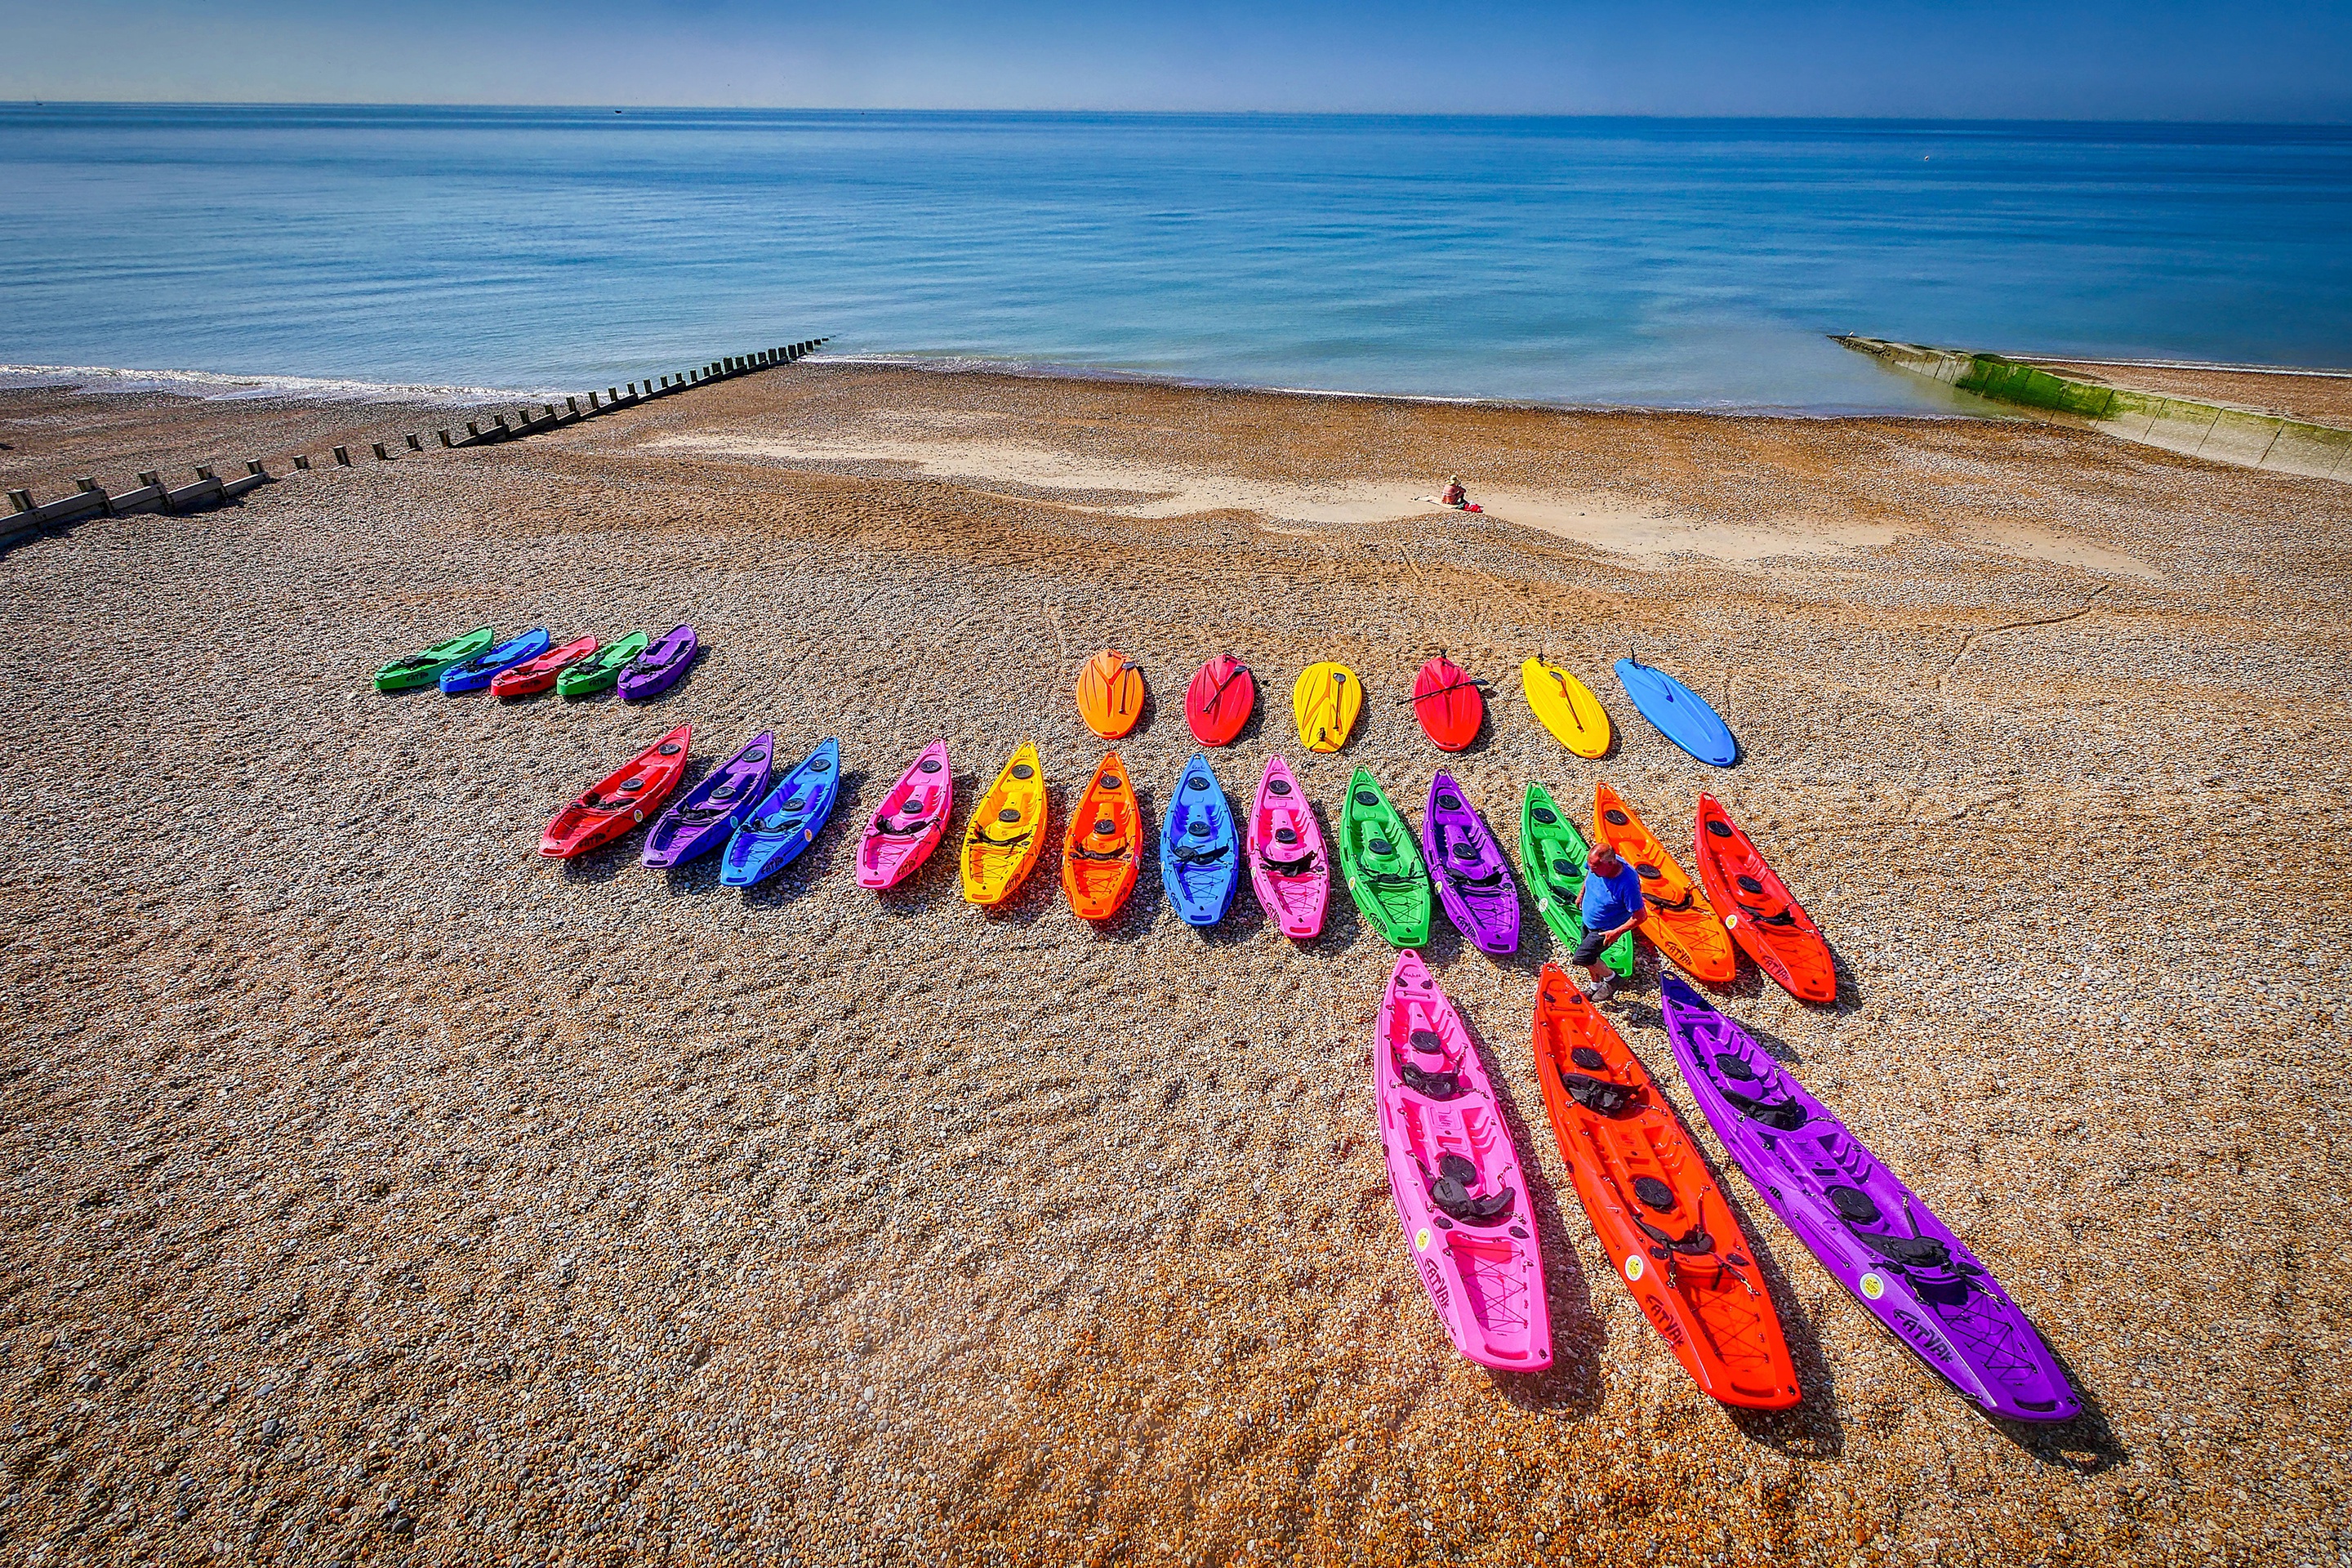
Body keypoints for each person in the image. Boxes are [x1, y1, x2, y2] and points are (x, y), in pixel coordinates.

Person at [1575, 841, 1647, 1002]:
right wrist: (1581, 894)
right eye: (1590, 866)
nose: (1592, 870)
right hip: (1588, 920)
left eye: (1595, 868)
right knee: (1592, 957)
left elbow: (1640, 916)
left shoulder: (1627, 883)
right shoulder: (1595, 865)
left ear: (1610, 863)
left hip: (1605, 929)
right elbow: (1588, 874)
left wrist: (1616, 932)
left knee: (1582, 958)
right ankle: (1595, 986)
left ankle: (1612, 979)